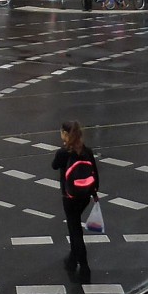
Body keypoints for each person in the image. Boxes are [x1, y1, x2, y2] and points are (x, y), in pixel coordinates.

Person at [51, 120, 98, 283]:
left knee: (75, 229)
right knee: (75, 225)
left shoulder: (64, 152)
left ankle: (83, 265)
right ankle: (72, 259)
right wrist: (94, 192)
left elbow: (54, 166)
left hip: (69, 196)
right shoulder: (87, 151)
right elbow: (95, 173)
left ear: (65, 134)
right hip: (84, 196)